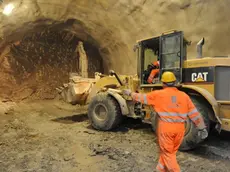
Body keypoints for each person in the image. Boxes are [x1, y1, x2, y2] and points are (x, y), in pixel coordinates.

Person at [122, 71, 208, 172]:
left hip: (166, 129)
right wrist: (202, 128)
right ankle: (160, 169)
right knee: (170, 153)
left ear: (163, 83)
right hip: (180, 130)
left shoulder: (159, 95)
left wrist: (130, 93)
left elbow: (142, 98)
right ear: (175, 82)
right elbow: (195, 114)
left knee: (168, 154)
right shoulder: (184, 96)